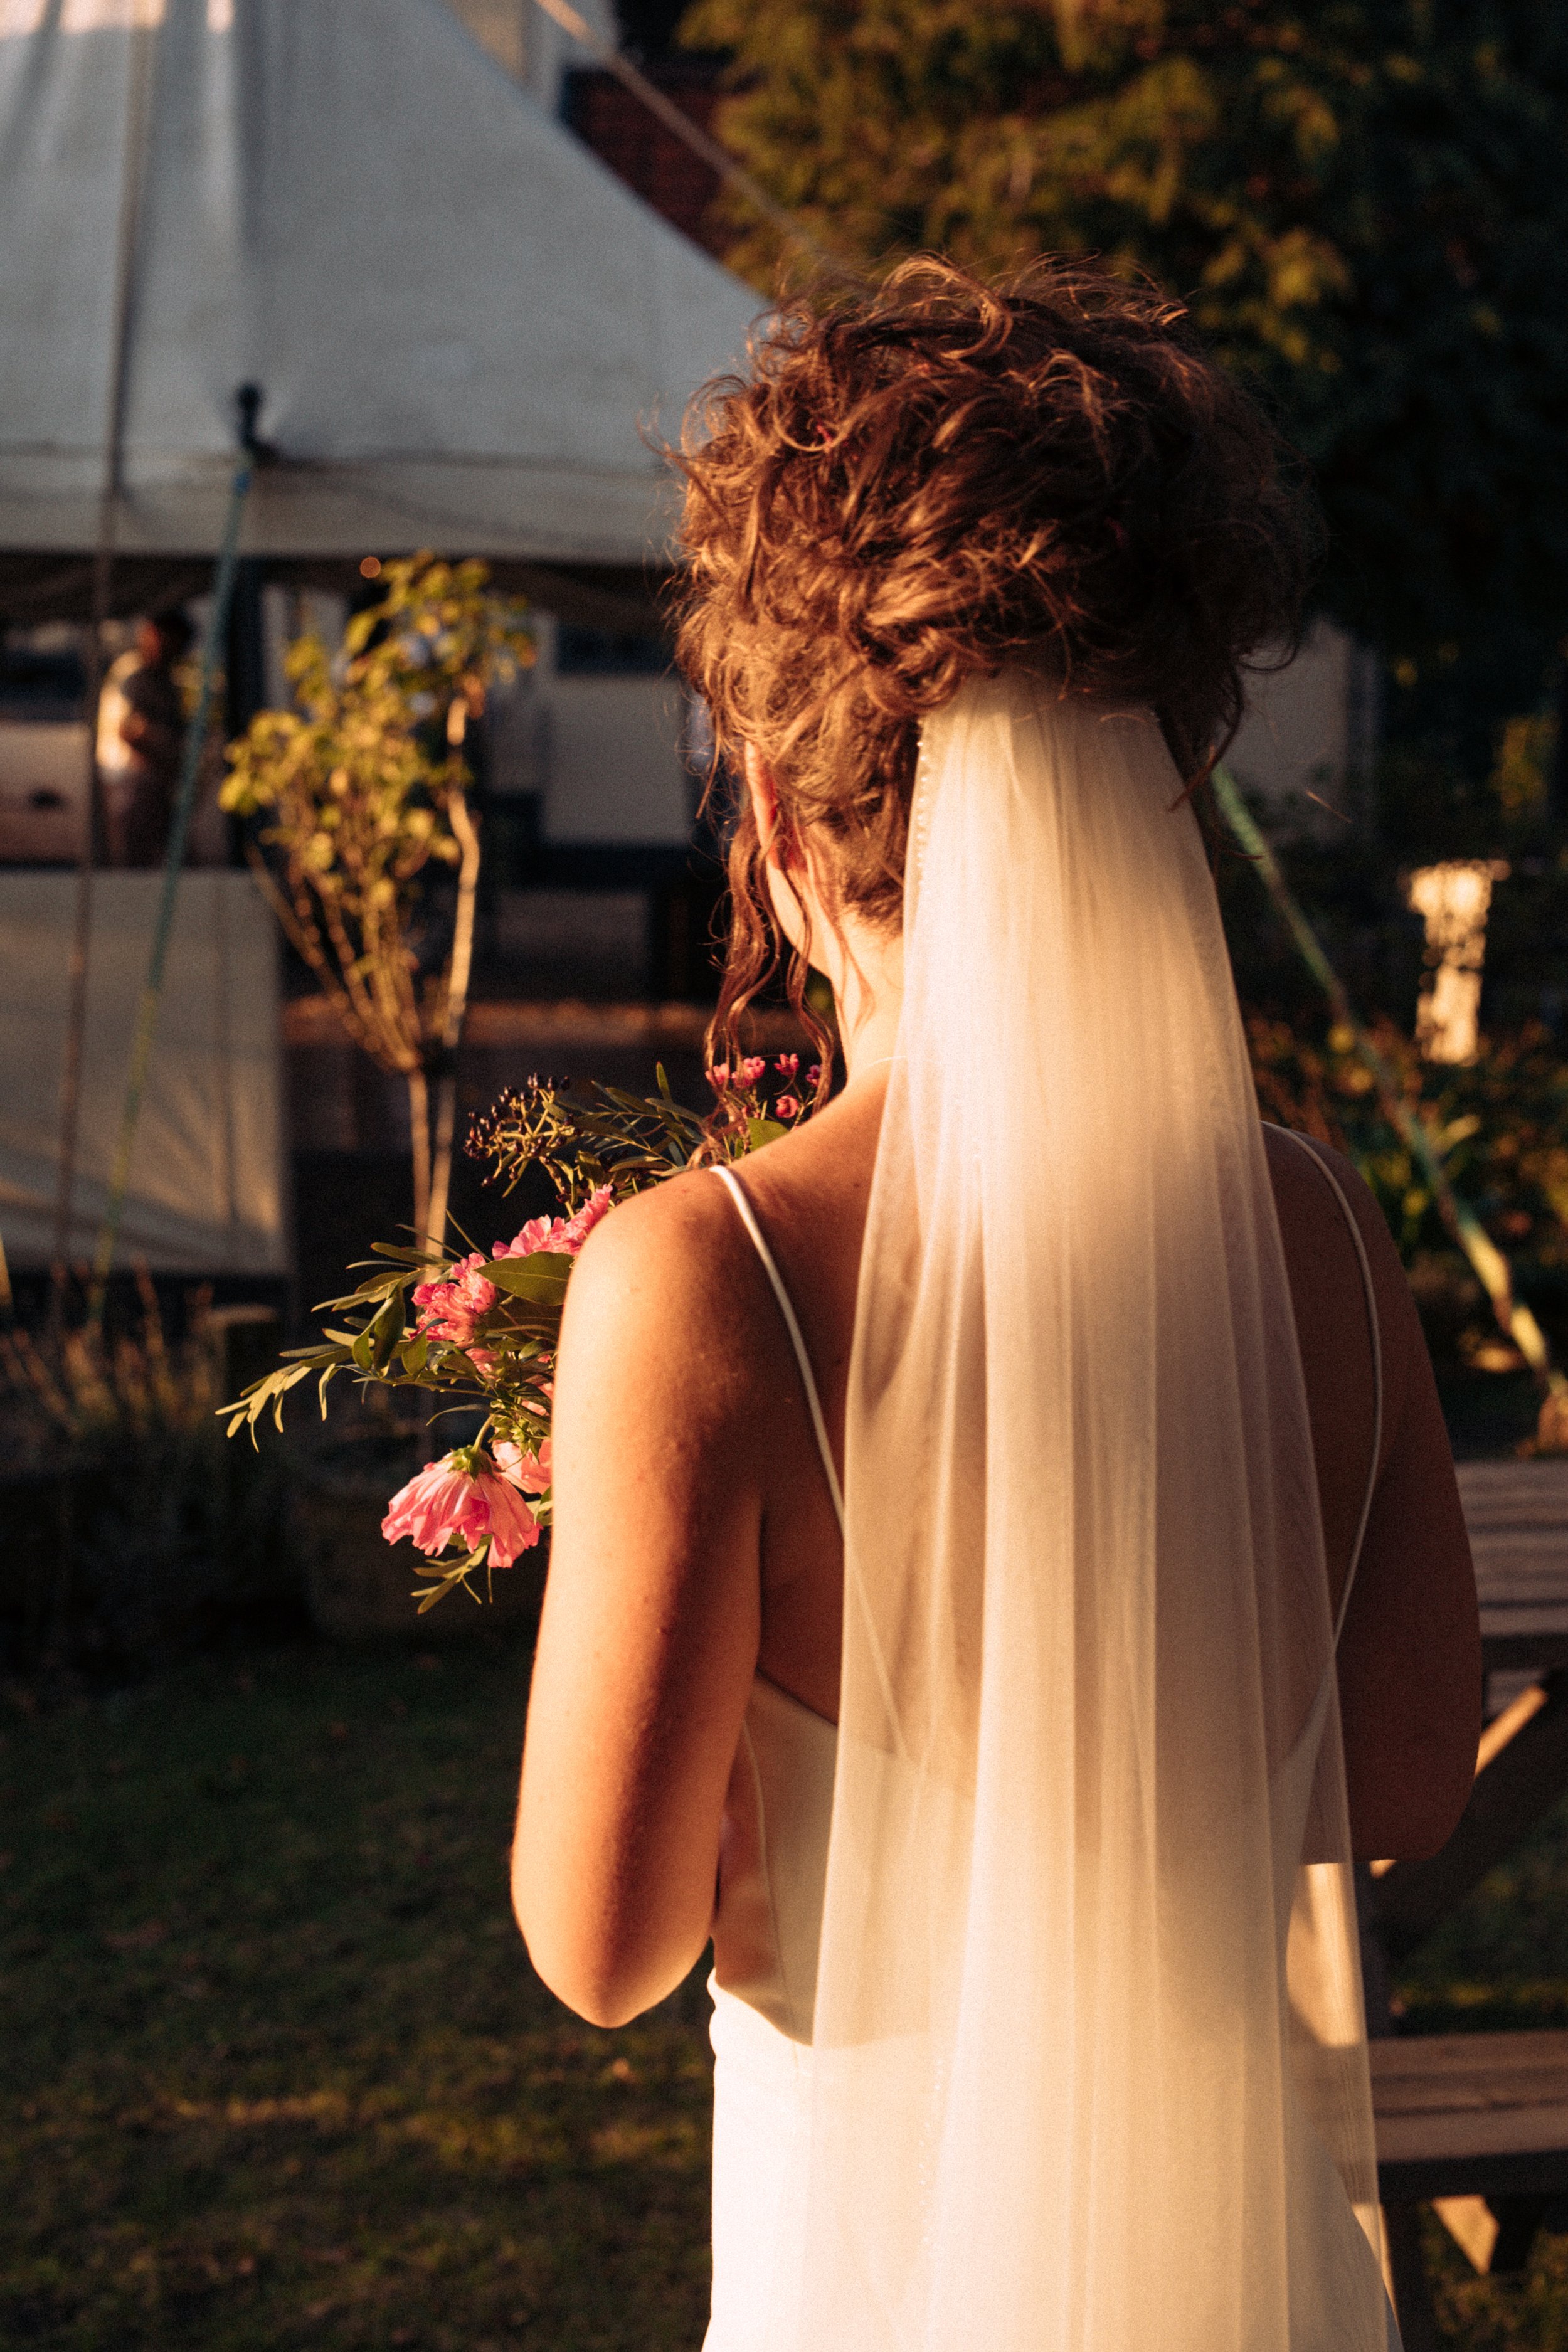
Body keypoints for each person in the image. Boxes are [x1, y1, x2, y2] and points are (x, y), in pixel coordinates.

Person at [511, 259, 1480, 2351]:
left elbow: (602, 1945)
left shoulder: (705, 1285)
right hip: (1249, 2274)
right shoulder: (1315, 1234)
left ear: (770, 813)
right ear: (1161, 783)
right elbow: (1407, 1785)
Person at [97, 607, 192, 866]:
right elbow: (130, 731)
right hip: (134, 783)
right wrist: (169, 752)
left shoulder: (164, 677)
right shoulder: (136, 675)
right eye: (170, 642)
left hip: (155, 785)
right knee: (136, 865)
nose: (175, 652)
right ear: (151, 635)